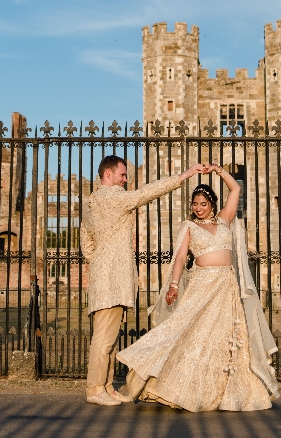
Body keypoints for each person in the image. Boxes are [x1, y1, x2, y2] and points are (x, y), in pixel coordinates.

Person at [116, 164, 280, 412]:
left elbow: (235, 188)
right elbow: (181, 258)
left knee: (224, 341)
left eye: (203, 204)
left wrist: (218, 170)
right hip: (202, 285)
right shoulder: (189, 227)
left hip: (226, 286)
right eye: (195, 204)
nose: (198, 208)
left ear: (212, 204)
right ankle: (160, 382)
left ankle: (225, 391)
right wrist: (173, 285)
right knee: (187, 333)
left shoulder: (225, 220)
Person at [79, 155, 206, 406]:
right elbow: (147, 193)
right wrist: (184, 175)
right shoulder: (112, 197)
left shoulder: (90, 202)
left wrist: (102, 260)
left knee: (111, 336)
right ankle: (94, 389)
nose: (126, 180)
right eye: (123, 175)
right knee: (104, 337)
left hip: (105, 276)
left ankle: (106, 386)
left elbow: (86, 243)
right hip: (112, 279)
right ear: (108, 175)